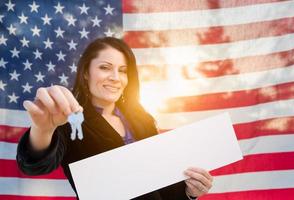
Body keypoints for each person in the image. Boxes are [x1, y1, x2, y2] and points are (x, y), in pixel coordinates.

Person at [16, 37, 213, 200]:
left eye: (123, 70)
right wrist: (43, 129)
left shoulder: (142, 120)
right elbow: (35, 165)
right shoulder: (69, 122)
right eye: (105, 67)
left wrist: (189, 193)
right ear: (86, 73)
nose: (115, 77)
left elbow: (163, 188)